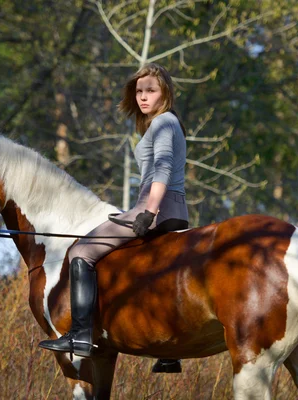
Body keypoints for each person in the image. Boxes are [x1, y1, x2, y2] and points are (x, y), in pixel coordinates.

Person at [39, 63, 188, 373]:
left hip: (155, 208)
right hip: (175, 209)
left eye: (151, 91)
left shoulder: (162, 123)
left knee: (81, 250)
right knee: (145, 267)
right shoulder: (165, 124)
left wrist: (148, 211)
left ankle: (80, 335)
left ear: (166, 93)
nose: (143, 97)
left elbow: (161, 169)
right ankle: (168, 348)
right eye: (139, 91)